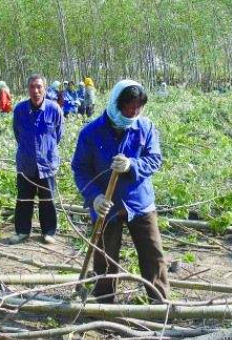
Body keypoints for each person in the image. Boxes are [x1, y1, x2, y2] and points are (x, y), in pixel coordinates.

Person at [71, 79, 170, 303]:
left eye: (138, 107)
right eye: (129, 107)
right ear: (117, 103)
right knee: (104, 259)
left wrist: (132, 165)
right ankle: (105, 303)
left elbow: (154, 160)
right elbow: (80, 169)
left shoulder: (145, 127)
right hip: (107, 205)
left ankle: (160, 305)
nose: (134, 112)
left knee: (153, 256)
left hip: (140, 203)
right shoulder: (91, 132)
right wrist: (94, 197)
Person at [10, 74, 64, 245]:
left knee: (47, 200)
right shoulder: (19, 110)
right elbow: (18, 134)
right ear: (28, 89)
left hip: (47, 164)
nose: (36, 90)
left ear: (45, 89)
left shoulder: (54, 109)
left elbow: (58, 135)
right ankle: (22, 232)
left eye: (39, 86)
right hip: (26, 164)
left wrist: (45, 150)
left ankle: (48, 232)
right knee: (23, 199)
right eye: (32, 86)